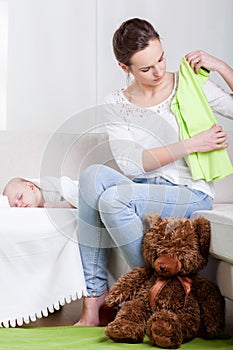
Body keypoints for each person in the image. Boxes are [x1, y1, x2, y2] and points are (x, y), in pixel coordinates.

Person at [75, 18, 233, 326]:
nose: (158, 71)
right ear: (125, 69)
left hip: (190, 192)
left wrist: (222, 66)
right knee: (91, 176)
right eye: (146, 68)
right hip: (144, 186)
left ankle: (152, 287)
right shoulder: (117, 103)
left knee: (113, 200)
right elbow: (130, 165)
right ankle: (95, 298)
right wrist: (191, 144)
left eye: (161, 58)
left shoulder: (188, 85)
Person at [3, 176, 78, 208]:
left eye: (20, 197)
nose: (19, 205)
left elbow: (67, 189)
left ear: (31, 187)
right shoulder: (36, 207)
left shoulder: (49, 191)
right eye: (15, 206)